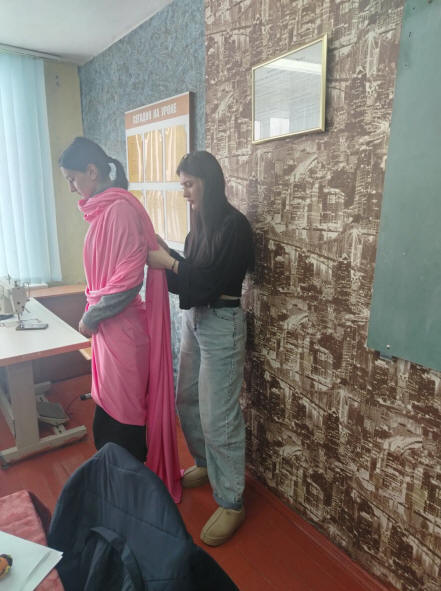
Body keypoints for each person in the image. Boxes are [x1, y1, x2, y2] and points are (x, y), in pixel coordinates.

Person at [59, 137, 181, 502]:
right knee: (108, 415)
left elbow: (128, 281)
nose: (71, 188)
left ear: (92, 172)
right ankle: (121, 491)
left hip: (122, 330)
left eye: (72, 179)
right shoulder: (106, 209)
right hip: (111, 330)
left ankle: (131, 496)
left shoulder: (120, 211)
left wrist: (91, 317)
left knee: (123, 417)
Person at [147, 150, 254, 546]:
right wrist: (169, 257)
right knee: (186, 399)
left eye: (189, 184)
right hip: (195, 321)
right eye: (182, 185)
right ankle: (206, 464)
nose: (185, 193)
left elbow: (211, 283)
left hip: (222, 323)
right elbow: (189, 283)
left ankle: (231, 501)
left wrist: (171, 263)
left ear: (209, 181)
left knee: (218, 417)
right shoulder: (198, 230)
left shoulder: (234, 226)